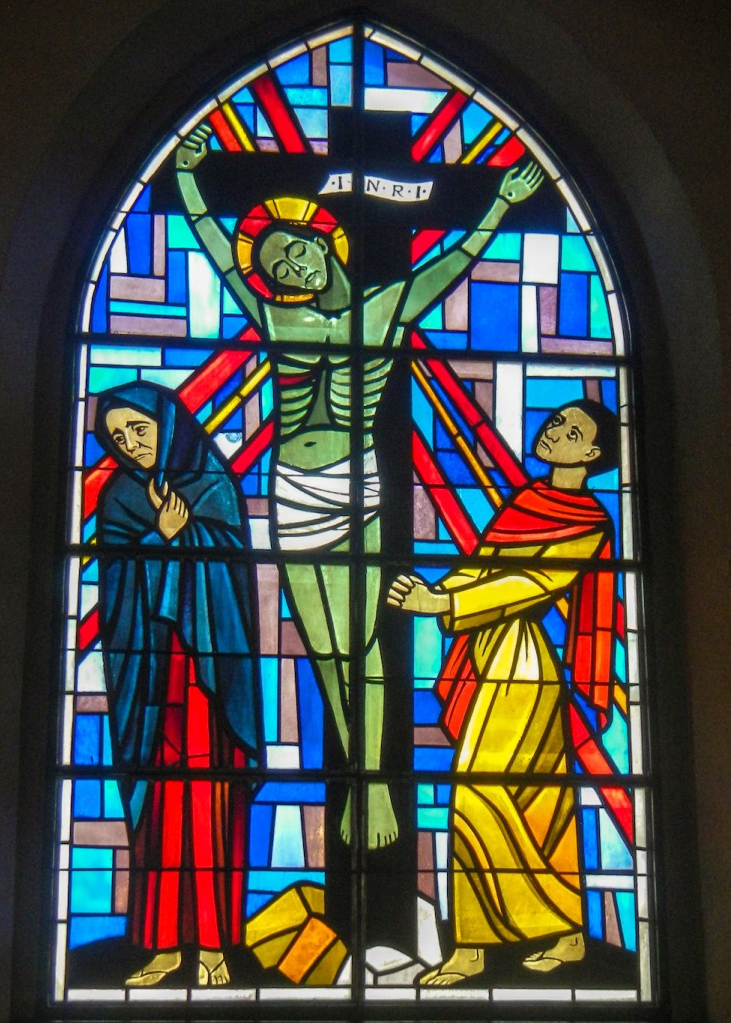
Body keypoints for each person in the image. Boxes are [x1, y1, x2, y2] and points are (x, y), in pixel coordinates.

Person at [175, 123, 543, 847]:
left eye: (296, 250)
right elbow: (217, 250)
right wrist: (188, 180)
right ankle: (359, 774)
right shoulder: (273, 315)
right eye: (276, 263)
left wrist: (499, 204)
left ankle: (372, 786)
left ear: (324, 245)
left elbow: (453, 263)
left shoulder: (385, 306)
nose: (290, 265)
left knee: (363, 642)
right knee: (322, 648)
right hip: (292, 486)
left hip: (354, 482)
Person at [387, 401, 618, 983]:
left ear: (592, 456)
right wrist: (440, 592)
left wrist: (446, 603)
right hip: (488, 649)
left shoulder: (590, 520)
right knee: (542, 801)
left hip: (522, 663)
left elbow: (532, 582)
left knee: (478, 791)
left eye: (572, 431)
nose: (554, 430)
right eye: (556, 421)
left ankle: (472, 948)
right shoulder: (527, 500)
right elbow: (484, 564)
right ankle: (567, 932)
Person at [94, 382, 260, 987]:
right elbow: (116, 591)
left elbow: (233, 587)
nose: (130, 444)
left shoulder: (214, 486)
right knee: (161, 808)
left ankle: (214, 945)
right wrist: (162, 538)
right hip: (151, 680)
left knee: (210, 804)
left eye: (139, 429)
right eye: (118, 437)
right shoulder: (118, 498)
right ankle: (161, 945)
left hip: (208, 683)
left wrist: (187, 536)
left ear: (167, 424)